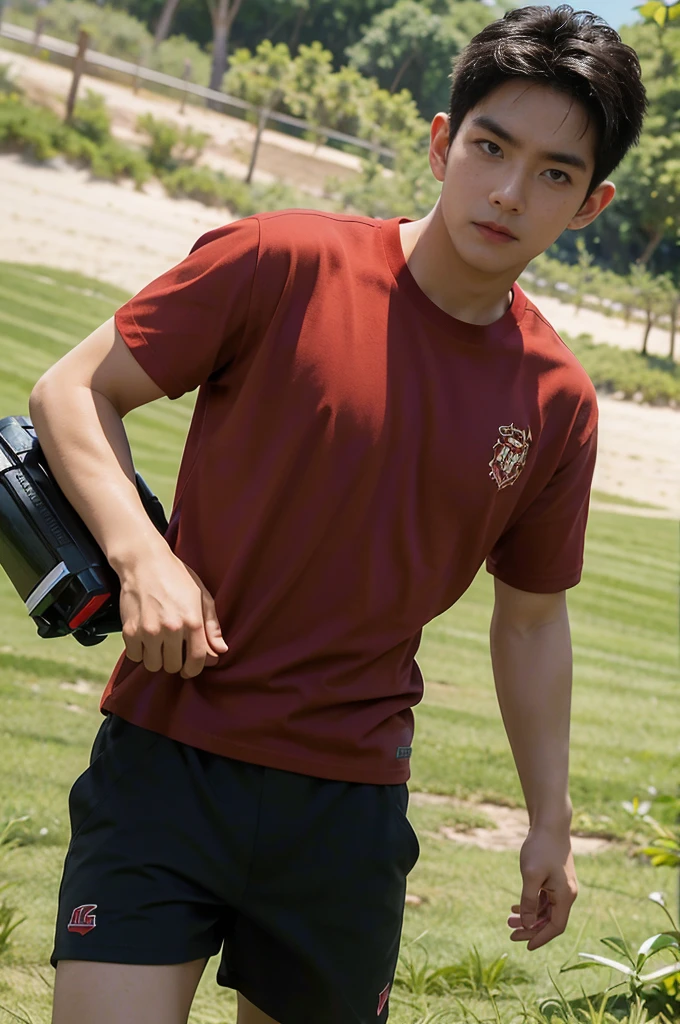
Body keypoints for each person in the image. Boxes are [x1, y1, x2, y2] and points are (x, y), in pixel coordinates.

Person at [29, 5, 647, 1022]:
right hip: (167, 756)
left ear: (587, 204)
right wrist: (143, 556)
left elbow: (531, 617)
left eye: (551, 172)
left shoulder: (556, 401)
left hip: (348, 801)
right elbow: (71, 389)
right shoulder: (278, 263)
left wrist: (549, 819)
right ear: (444, 142)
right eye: (489, 147)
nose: (506, 191)